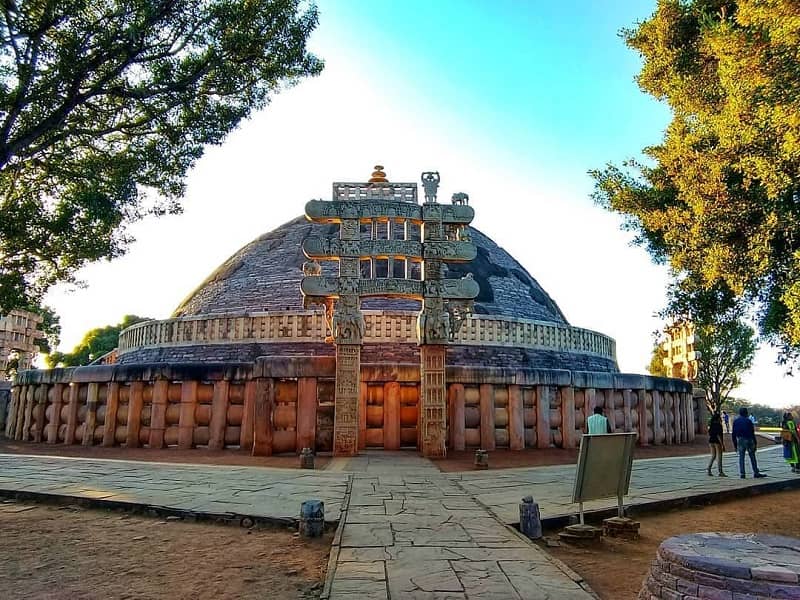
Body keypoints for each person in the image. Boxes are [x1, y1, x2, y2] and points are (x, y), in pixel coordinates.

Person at [732, 407, 766, 479]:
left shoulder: (736, 421)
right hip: (748, 439)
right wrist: (755, 442)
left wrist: (735, 444)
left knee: (741, 457)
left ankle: (742, 473)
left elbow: (733, 433)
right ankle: (755, 472)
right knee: (752, 456)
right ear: (746, 413)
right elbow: (752, 432)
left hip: (740, 439)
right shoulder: (748, 421)